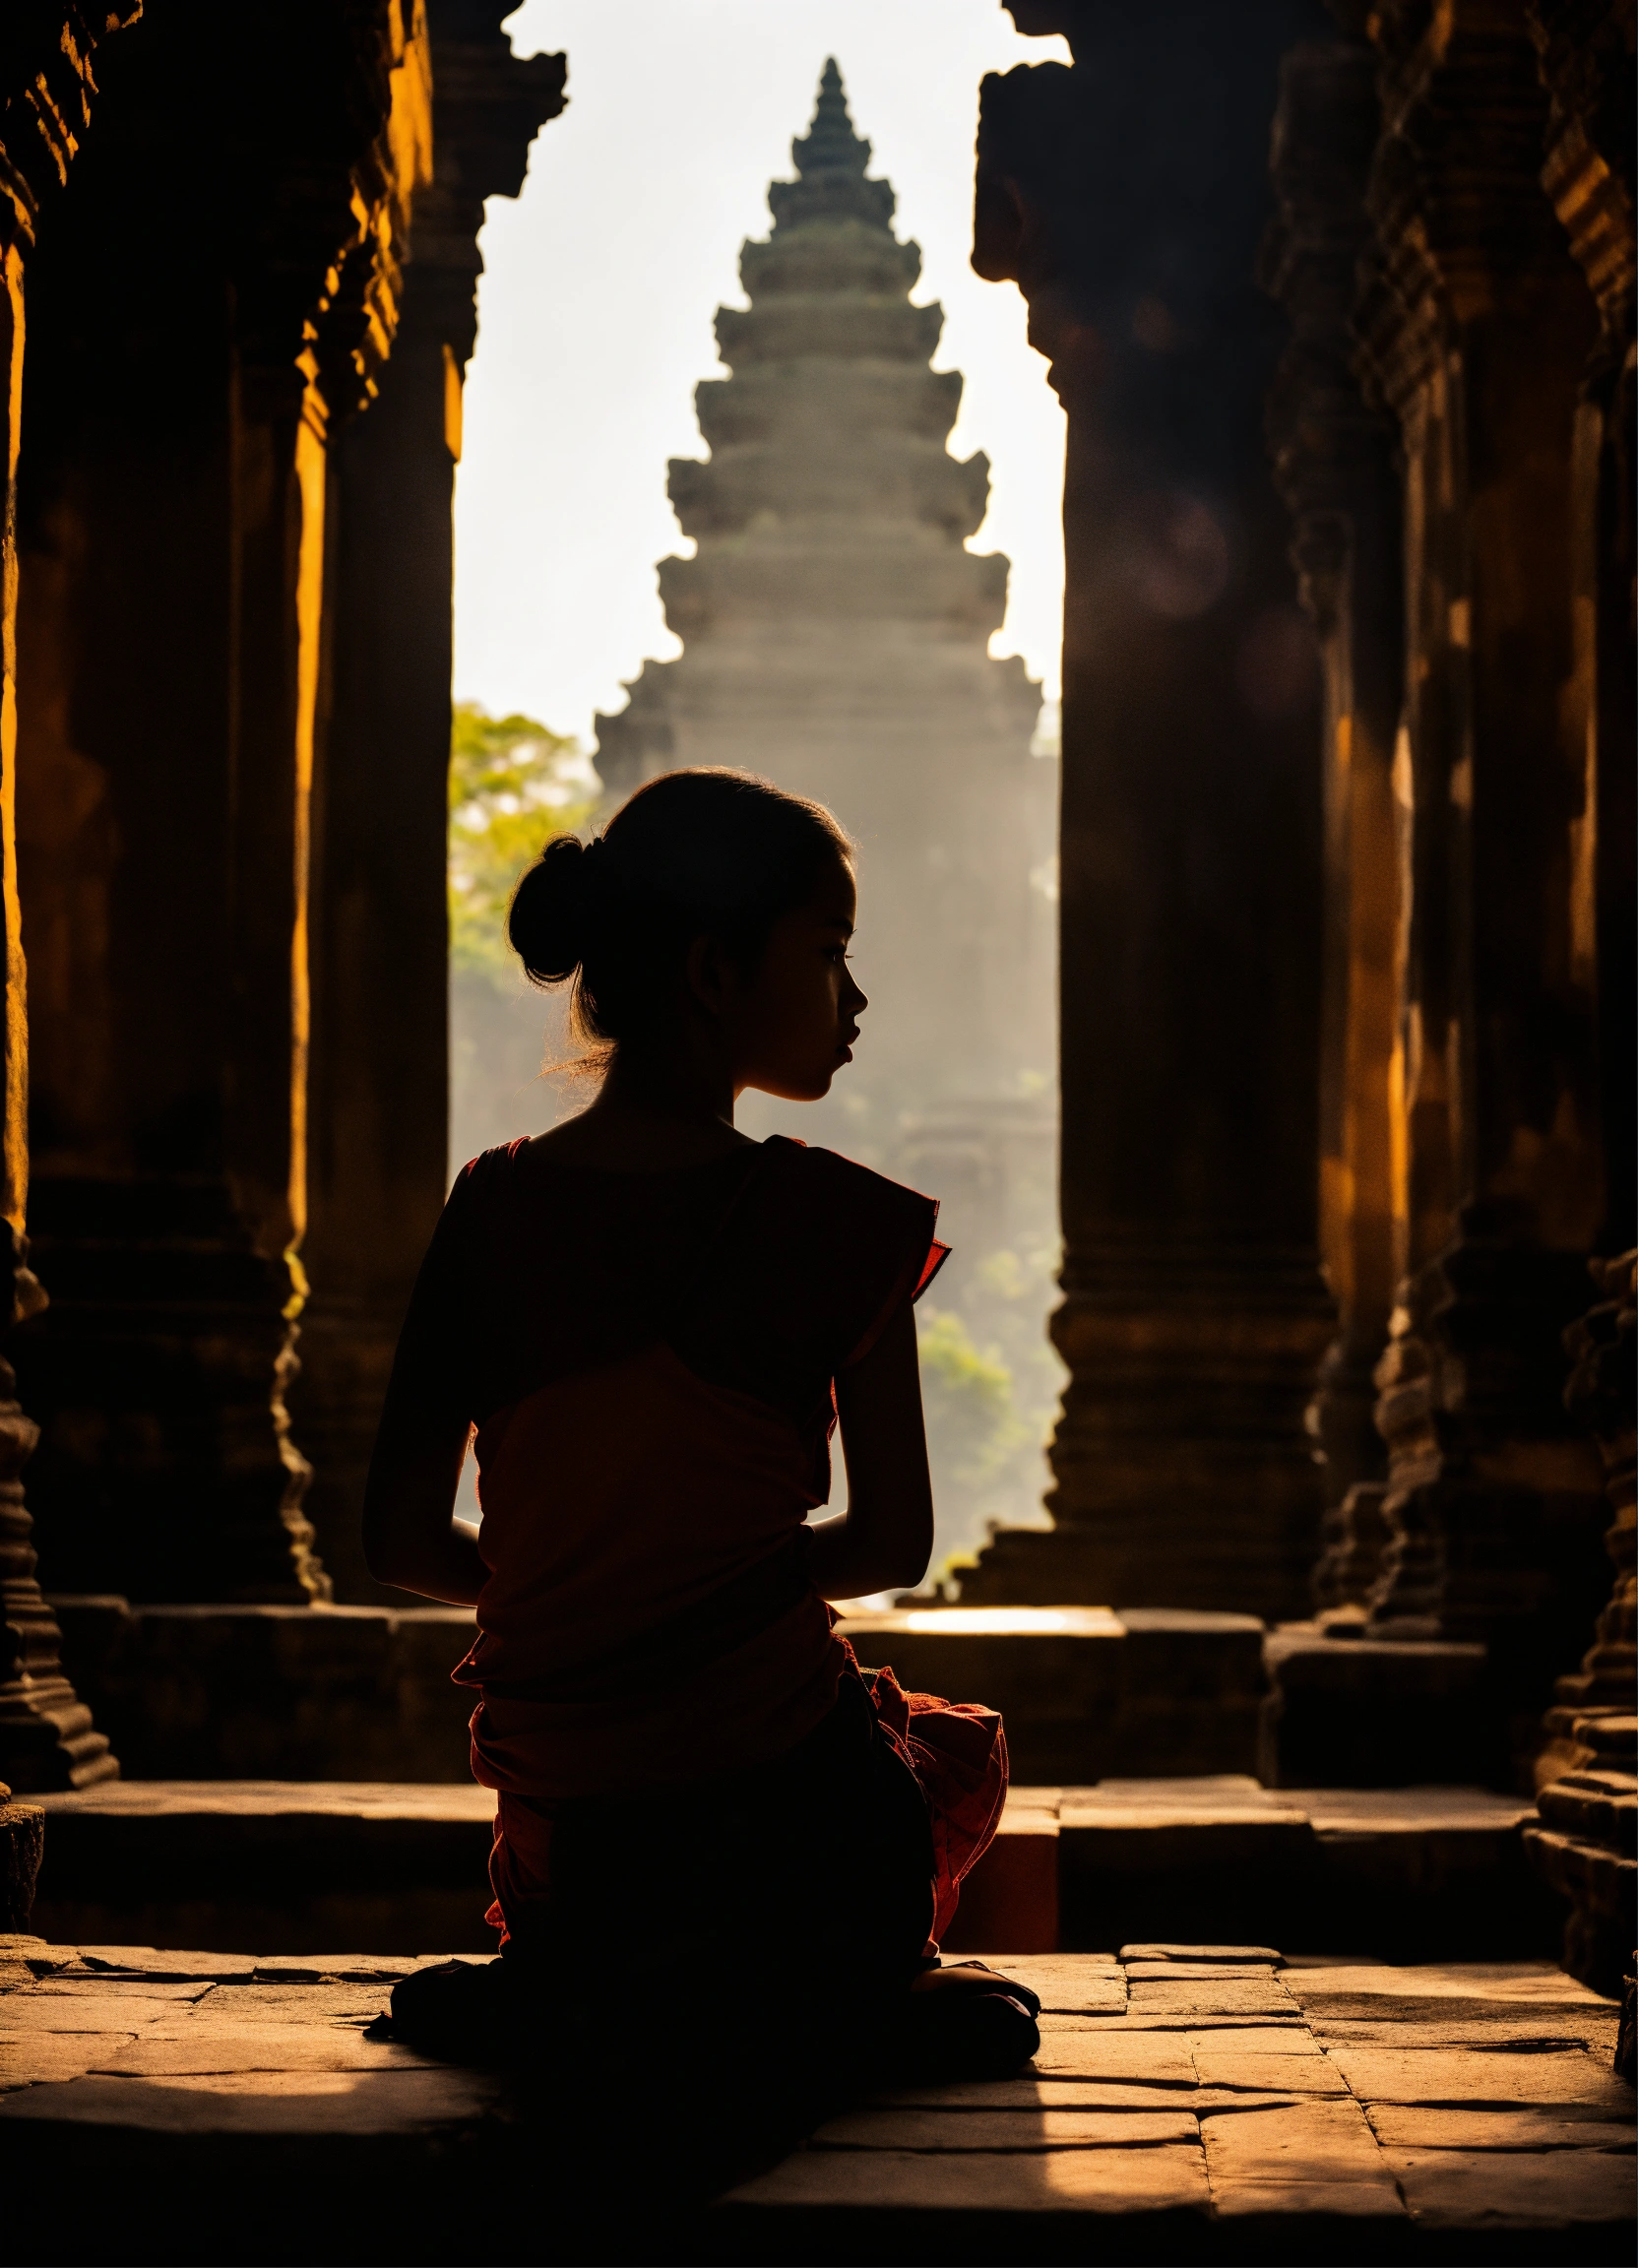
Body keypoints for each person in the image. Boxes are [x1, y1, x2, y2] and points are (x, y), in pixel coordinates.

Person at [363, 768, 1038, 2092]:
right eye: (830, 955)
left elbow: (393, 1533)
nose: (856, 1000)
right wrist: (715, 1594)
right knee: (950, 1752)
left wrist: (583, 1599)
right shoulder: (838, 1226)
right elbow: (892, 1541)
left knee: (631, 1863)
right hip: (785, 1809)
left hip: (571, 1812)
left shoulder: (490, 1207)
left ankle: (574, 1974)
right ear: (716, 973)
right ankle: (861, 1977)